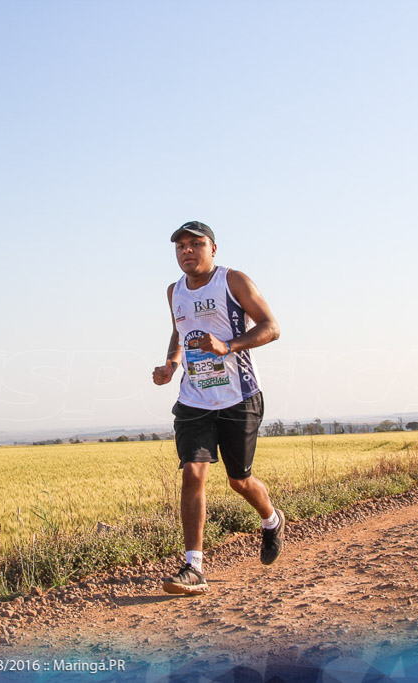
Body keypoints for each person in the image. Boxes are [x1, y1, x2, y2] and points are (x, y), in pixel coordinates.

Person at [152, 221, 283, 595]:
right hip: (194, 398)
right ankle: (194, 567)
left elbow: (271, 327)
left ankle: (271, 520)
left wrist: (229, 345)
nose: (187, 251)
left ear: (213, 249)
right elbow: (179, 332)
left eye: (196, 244)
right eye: (180, 246)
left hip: (239, 397)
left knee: (239, 480)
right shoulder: (173, 291)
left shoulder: (233, 281)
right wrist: (171, 365)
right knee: (193, 474)